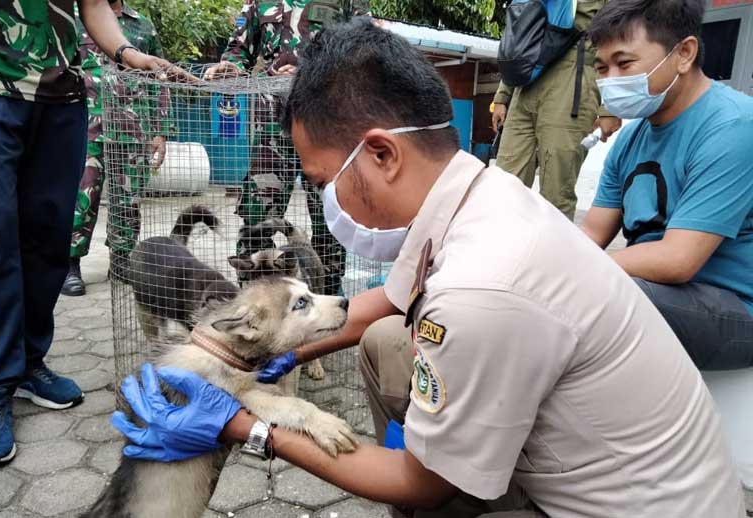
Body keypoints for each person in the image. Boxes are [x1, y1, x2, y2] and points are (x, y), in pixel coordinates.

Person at [112, 19, 745, 518]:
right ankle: (462, 467)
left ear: (382, 153)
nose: (326, 199)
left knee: (423, 478)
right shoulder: (476, 190)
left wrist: (243, 424)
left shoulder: (481, 286)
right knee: (388, 339)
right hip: (594, 452)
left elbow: (419, 484)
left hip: (620, 508)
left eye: (324, 181)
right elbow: (385, 303)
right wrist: (245, 361)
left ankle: (464, 486)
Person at [0, 0, 170, 466]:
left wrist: (129, 53)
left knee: (50, 236)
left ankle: (29, 362)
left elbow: (93, 5)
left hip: (60, 100)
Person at [581, 0, 753, 370]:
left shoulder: (733, 127)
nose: (610, 80)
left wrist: (574, 270)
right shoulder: (630, 140)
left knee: (596, 295)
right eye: (601, 68)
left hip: (737, 310)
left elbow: (678, 260)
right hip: (667, 297)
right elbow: (590, 235)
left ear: (684, 54)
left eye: (624, 64)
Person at [203, 0, 369, 296]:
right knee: (257, 216)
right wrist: (231, 66)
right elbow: (239, 48)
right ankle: (258, 296)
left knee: (331, 216)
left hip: (326, 128)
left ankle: (327, 293)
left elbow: (365, 49)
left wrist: (315, 70)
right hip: (272, 127)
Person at [61, 0, 171, 296]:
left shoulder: (141, 25)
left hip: (132, 129)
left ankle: (122, 261)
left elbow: (157, 81)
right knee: (81, 196)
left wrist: (159, 131)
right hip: (86, 126)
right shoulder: (73, 19)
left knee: (129, 200)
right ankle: (69, 264)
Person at [491, 0, 623, 221]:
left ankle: (552, 255)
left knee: (555, 195)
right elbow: (523, 31)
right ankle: (501, 253)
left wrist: (610, 107)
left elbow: (621, 37)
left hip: (572, 81)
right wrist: (503, 94)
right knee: (505, 186)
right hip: (527, 81)